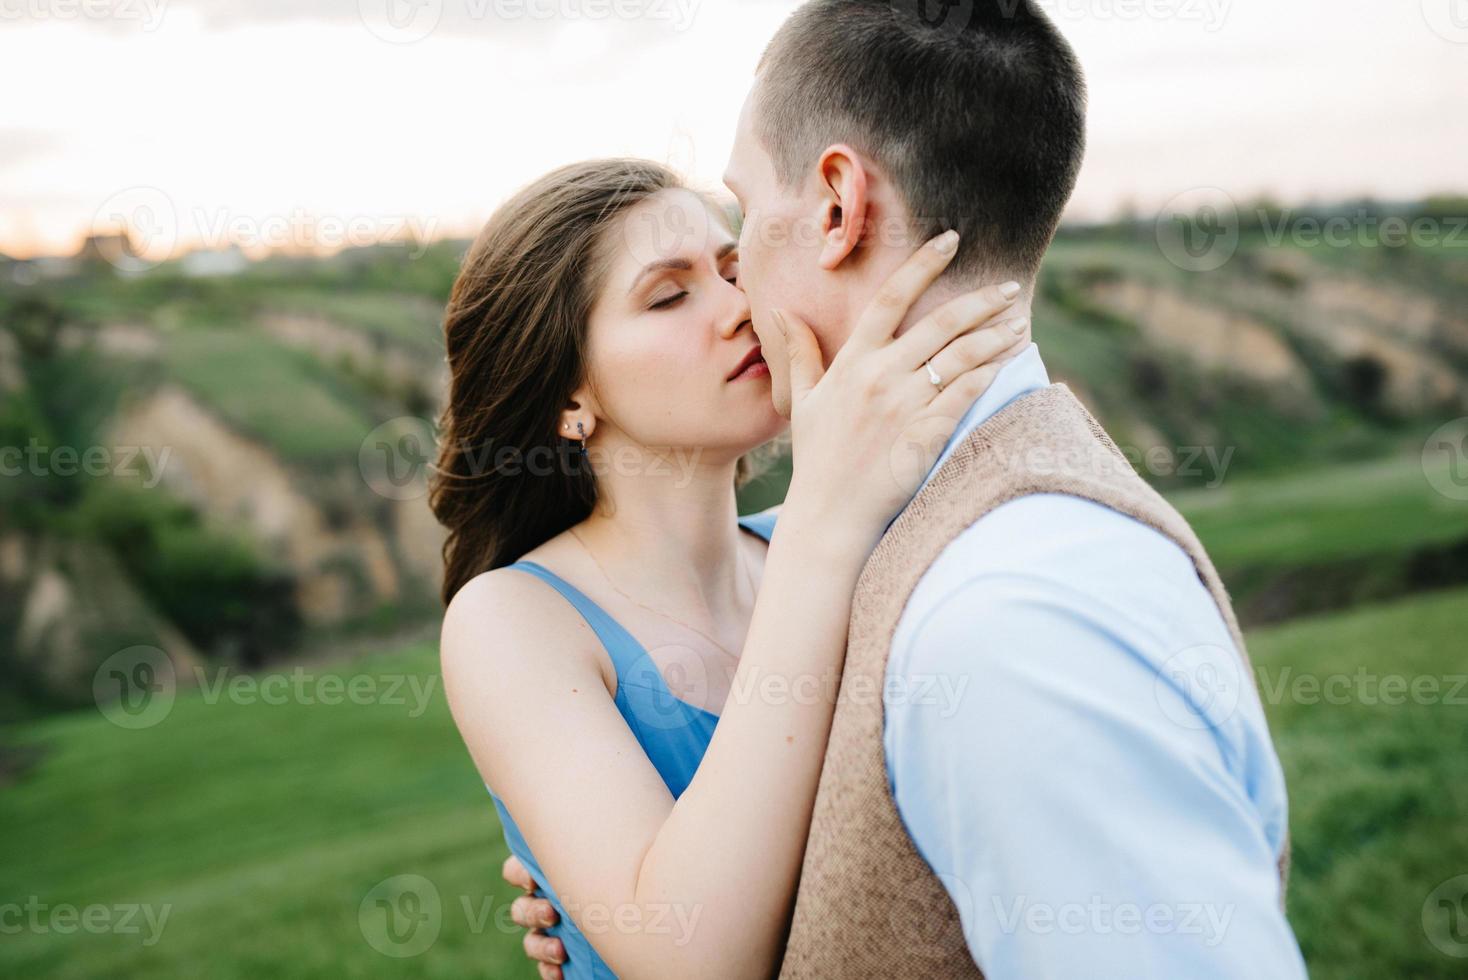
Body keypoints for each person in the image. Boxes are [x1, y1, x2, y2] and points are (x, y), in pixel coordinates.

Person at [504, 2, 1307, 978]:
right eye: (670, 294)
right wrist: (593, 890)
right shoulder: (910, 540)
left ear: (836, 205)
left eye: (739, 231)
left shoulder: (1007, 614)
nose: (735, 302)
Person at [434, 157, 1029, 979]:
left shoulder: (843, 536)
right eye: (670, 295)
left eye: (732, 268)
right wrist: (827, 512)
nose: (740, 309)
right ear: (569, 398)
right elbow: (693, 961)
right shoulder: (512, 622)